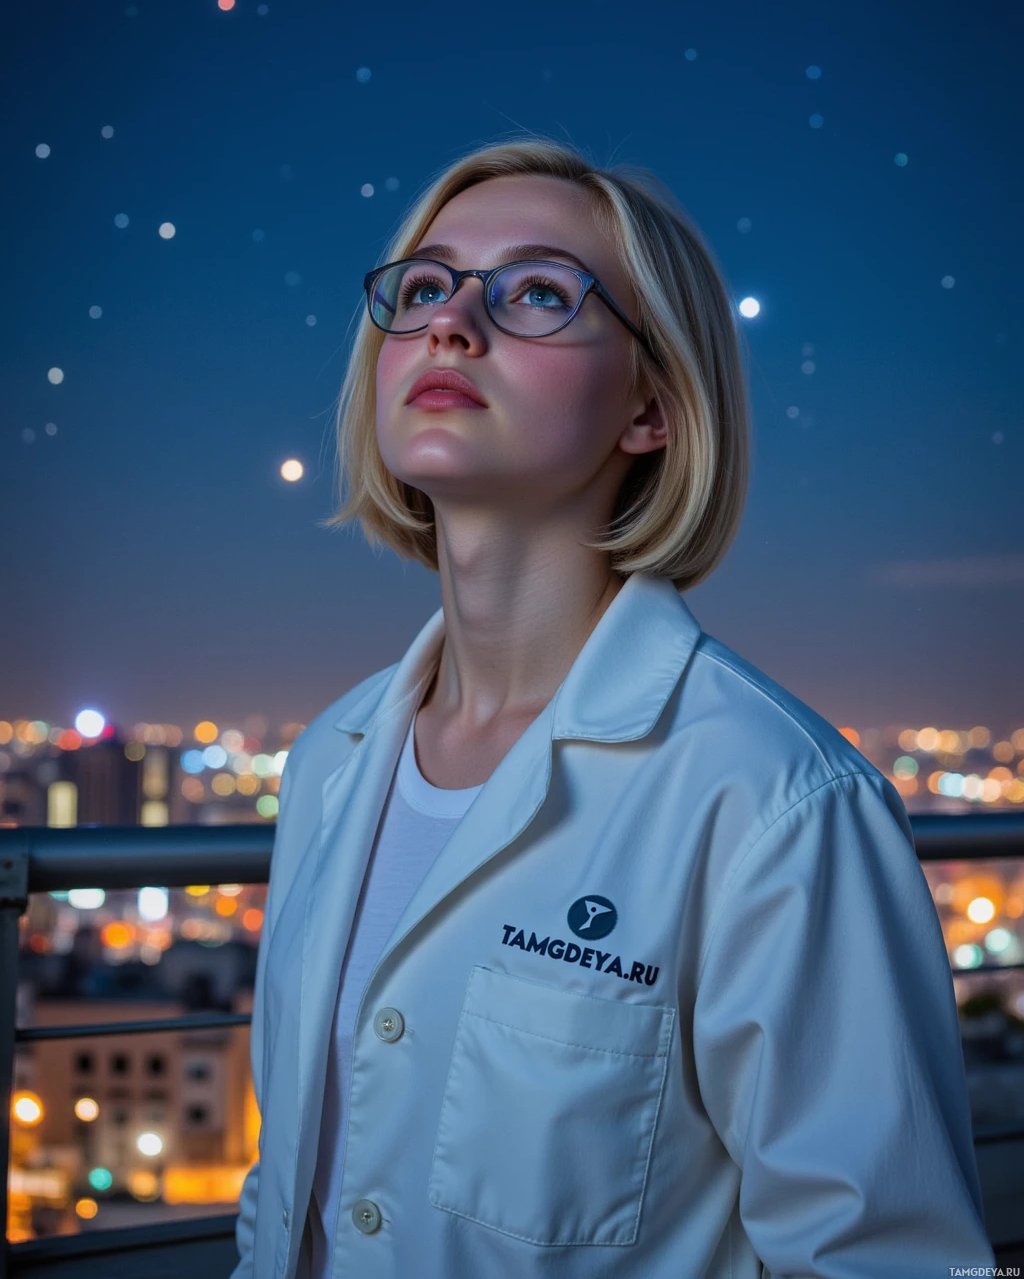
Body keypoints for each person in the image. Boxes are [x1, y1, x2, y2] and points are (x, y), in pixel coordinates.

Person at [231, 137, 996, 1279]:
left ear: (651, 410)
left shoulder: (771, 804)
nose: (450, 323)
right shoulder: (329, 763)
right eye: (426, 286)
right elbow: (289, 1194)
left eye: (537, 292)